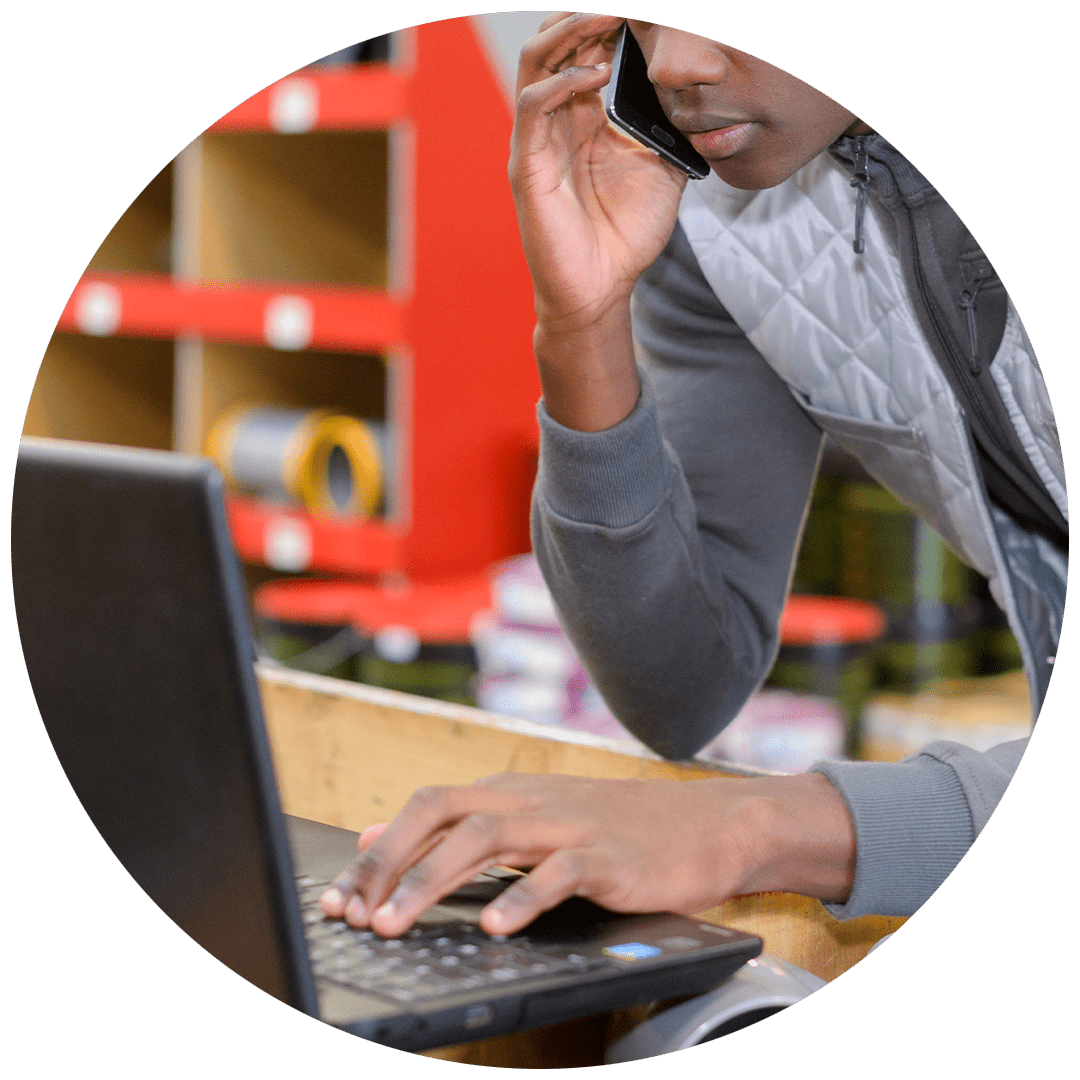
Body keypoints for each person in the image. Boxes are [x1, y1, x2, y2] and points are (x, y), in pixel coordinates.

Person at [320, 14, 1066, 939]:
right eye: (643, 16)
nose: (676, 63)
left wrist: (751, 827)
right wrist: (582, 324)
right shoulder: (718, 220)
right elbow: (679, 687)